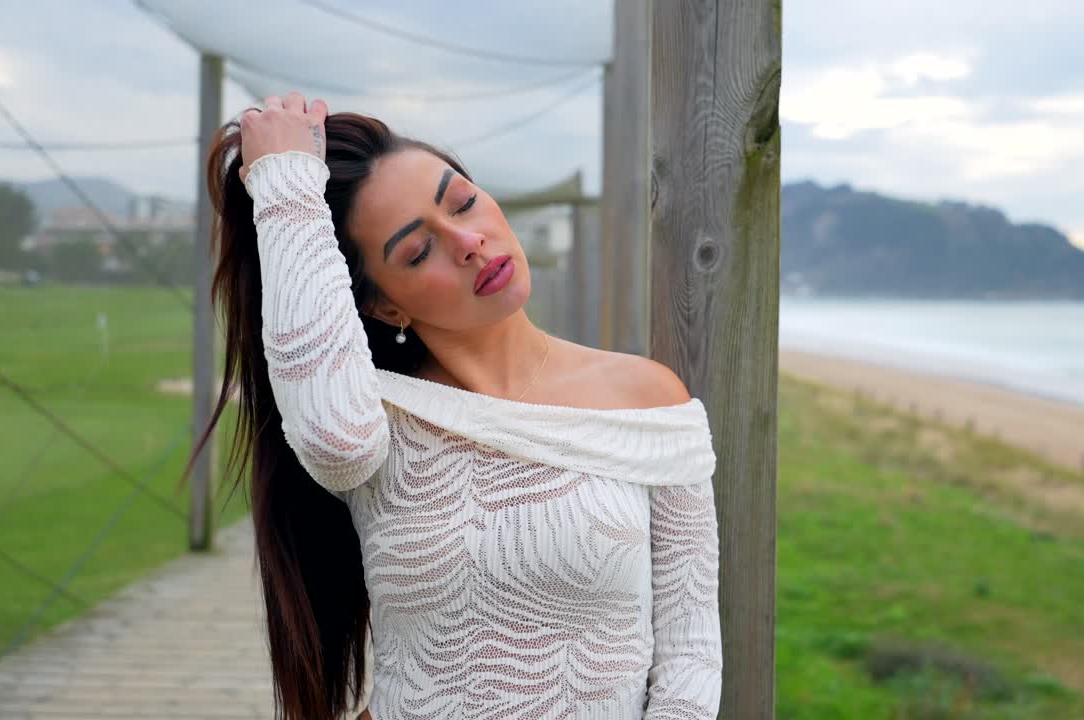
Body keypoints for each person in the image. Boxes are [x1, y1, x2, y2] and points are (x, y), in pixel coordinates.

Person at [188, 91, 722, 720]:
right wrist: (286, 186)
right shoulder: (372, 416)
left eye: (463, 201)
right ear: (386, 307)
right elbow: (335, 442)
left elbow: (690, 652)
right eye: (418, 251)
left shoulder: (647, 399)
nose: (469, 241)